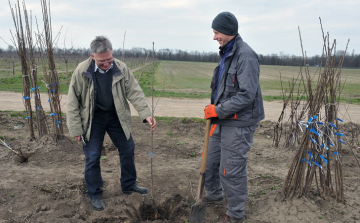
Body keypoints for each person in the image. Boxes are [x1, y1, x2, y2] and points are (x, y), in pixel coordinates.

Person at [66, 36, 156, 211]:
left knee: (128, 149)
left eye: (109, 59)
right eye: (102, 61)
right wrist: (76, 128)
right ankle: (94, 193)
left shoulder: (121, 68)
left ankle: (129, 185)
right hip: (93, 119)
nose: (107, 64)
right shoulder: (82, 71)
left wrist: (146, 114)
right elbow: (72, 101)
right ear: (92, 56)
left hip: (116, 116)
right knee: (92, 156)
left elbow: (135, 91)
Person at [203, 12, 265, 223]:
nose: (214, 37)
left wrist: (218, 111)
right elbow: (224, 89)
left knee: (231, 169)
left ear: (228, 32)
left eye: (216, 32)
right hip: (223, 120)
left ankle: (235, 213)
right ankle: (213, 195)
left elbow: (247, 95)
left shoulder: (245, 56)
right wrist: (215, 113)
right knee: (210, 162)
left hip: (239, 122)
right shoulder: (227, 52)